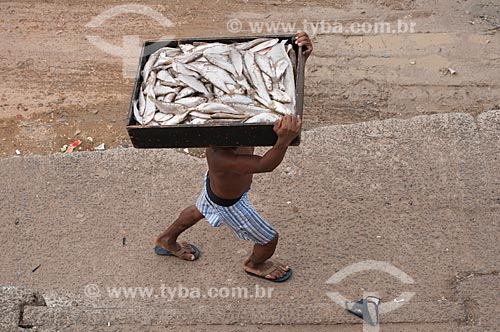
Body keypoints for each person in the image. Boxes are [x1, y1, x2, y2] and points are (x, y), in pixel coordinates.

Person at [154, 32, 313, 282]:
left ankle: (166, 239)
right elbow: (264, 164)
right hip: (232, 203)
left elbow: (281, 86)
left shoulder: (228, 136)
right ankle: (255, 264)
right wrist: (283, 141)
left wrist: (300, 58)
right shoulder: (223, 157)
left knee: (200, 208)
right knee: (269, 238)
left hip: (214, 189)